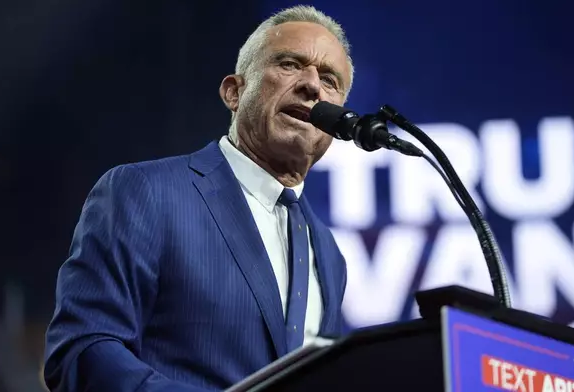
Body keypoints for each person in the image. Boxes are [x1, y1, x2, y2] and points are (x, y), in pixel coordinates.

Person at [44, 5, 354, 392]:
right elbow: (82, 351)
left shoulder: (327, 250)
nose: (312, 85)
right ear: (234, 92)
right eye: (290, 64)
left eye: (330, 80)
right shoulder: (145, 192)